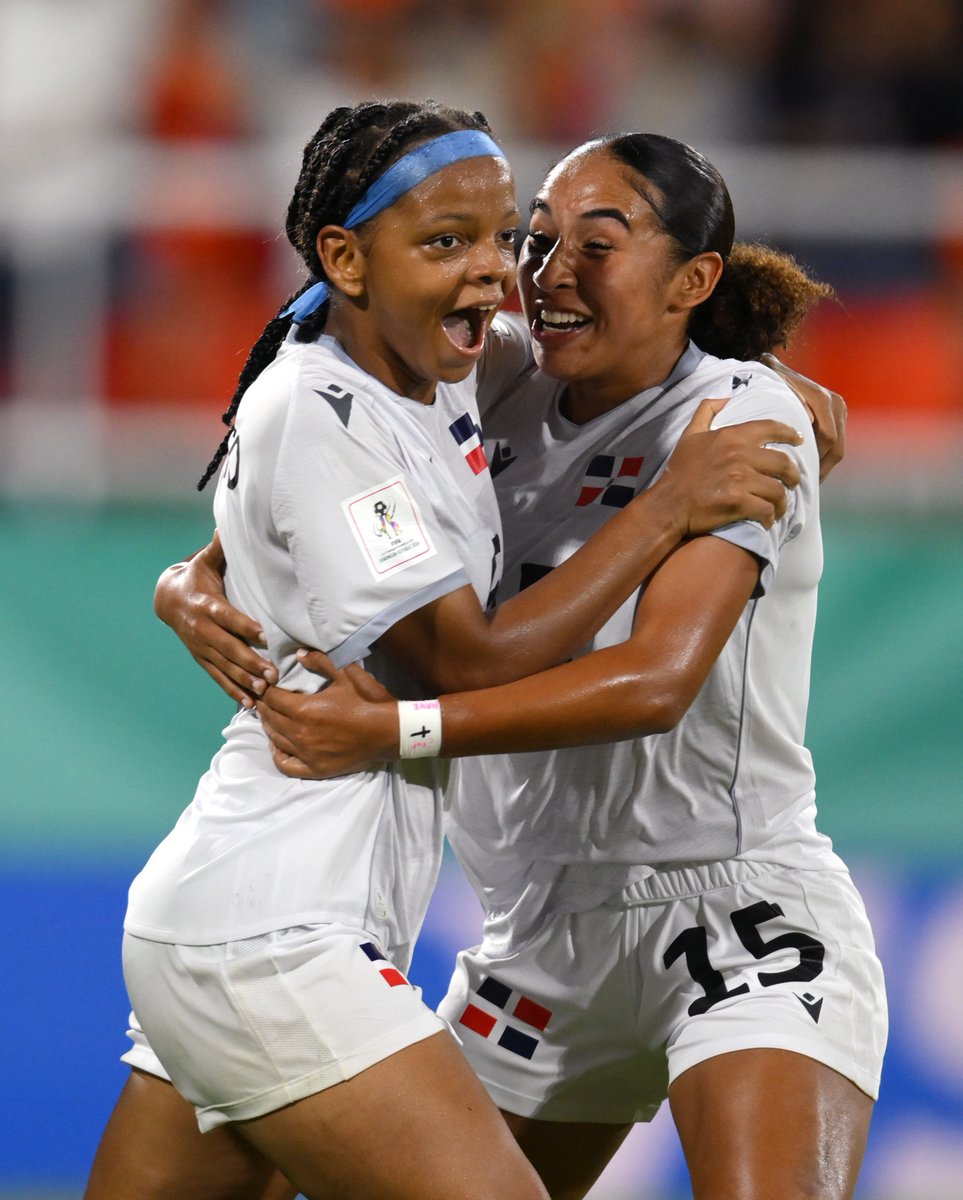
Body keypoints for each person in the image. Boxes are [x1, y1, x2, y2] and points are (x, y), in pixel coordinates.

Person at [85, 103, 807, 1200]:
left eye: (501, 236)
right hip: (277, 927)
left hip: (253, 916)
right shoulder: (328, 410)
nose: (495, 271)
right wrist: (666, 508)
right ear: (345, 260)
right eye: (443, 242)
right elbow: (471, 659)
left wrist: (774, 386)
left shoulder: (445, 370)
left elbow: (634, 359)